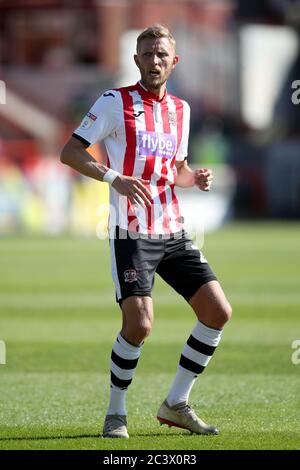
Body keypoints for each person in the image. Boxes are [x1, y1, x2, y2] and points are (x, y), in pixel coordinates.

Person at [61, 24, 232, 439]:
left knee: (217, 312)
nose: (154, 61)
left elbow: (174, 171)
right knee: (139, 324)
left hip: (172, 230)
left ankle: (176, 403)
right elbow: (70, 152)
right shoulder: (112, 103)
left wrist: (195, 179)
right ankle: (116, 413)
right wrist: (113, 178)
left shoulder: (182, 110)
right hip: (131, 233)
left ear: (174, 62)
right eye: (147, 54)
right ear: (136, 61)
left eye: (162, 55)